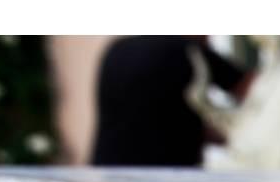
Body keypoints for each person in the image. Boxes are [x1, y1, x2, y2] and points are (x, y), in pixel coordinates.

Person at [90, 36, 248, 167]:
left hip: (107, 170)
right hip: (165, 176)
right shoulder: (189, 52)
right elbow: (254, 90)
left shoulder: (117, 49)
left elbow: (146, 121)